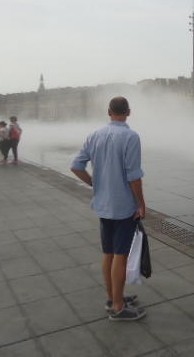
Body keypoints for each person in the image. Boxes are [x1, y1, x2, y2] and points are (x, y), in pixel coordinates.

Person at [70, 96, 146, 322]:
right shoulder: (131, 137)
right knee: (120, 256)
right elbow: (133, 176)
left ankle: (113, 297)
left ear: (109, 111)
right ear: (128, 112)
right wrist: (141, 203)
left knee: (109, 253)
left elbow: (76, 166)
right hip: (123, 206)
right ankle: (118, 308)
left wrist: (95, 184)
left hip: (103, 205)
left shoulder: (95, 135)